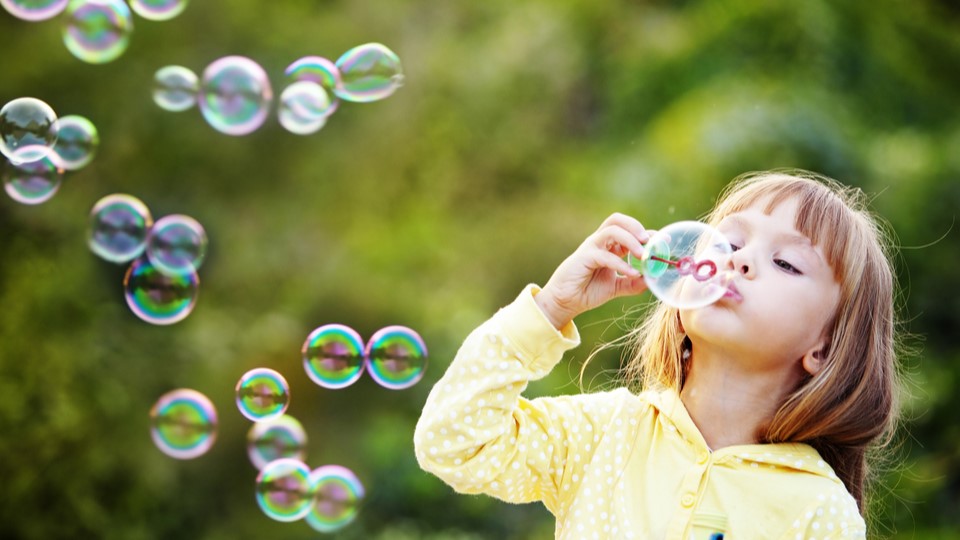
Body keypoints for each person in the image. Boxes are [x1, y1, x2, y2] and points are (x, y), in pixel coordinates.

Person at [413, 170, 901, 539]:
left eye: (786, 263)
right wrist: (550, 309)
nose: (739, 259)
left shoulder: (818, 511)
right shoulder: (605, 434)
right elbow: (453, 443)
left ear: (825, 348)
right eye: (729, 241)